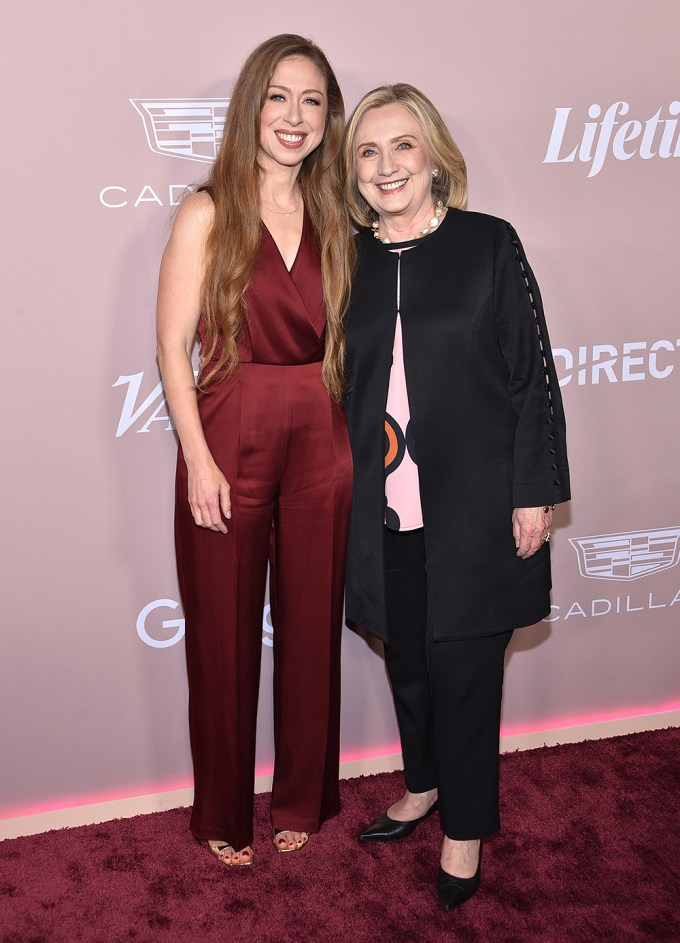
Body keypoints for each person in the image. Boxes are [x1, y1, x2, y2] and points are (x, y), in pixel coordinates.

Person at [341, 84, 570, 909]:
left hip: (475, 505)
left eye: (402, 146)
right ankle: (426, 781)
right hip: (382, 508)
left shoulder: (487, 245)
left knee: (466, 670)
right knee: (408, 659)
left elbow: (531, 375)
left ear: (434, 156)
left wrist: (535, 489)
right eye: (368, 151)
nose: (386, 165)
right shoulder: (350, 259)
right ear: (353, 171)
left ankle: (466, 826)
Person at [156, 34, 353, 867]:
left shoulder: (341, 212)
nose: (295, 116)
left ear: (327, 118)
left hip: (324, 427)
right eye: (279, 96)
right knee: (223, 633)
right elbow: (172, 349)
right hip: (229, 425)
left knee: (312, 626)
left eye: (312, 101)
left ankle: (304, 793)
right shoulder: (207, 210)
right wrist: (199, 458)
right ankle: (223, 812)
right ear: (251, 106)